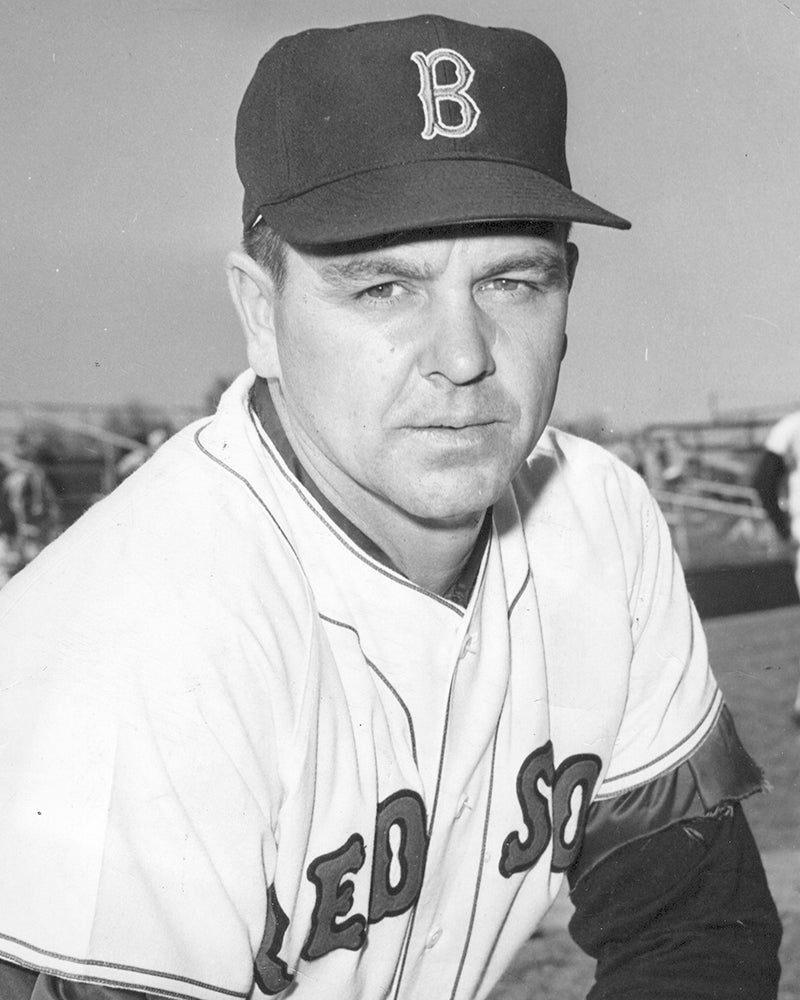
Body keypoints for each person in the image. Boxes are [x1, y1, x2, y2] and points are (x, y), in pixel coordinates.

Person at [0, 14, 781, 1000]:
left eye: (510, 279)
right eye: (381, 287)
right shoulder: (140, 640)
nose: (461, 354)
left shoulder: (597, 520)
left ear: (567, 293)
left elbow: (695, 935)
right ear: (259, 312)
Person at [753, 408, 800, 723]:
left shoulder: (791, 425)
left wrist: (785, 527)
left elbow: (763, 481)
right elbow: (764, 481)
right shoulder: (791, 426)